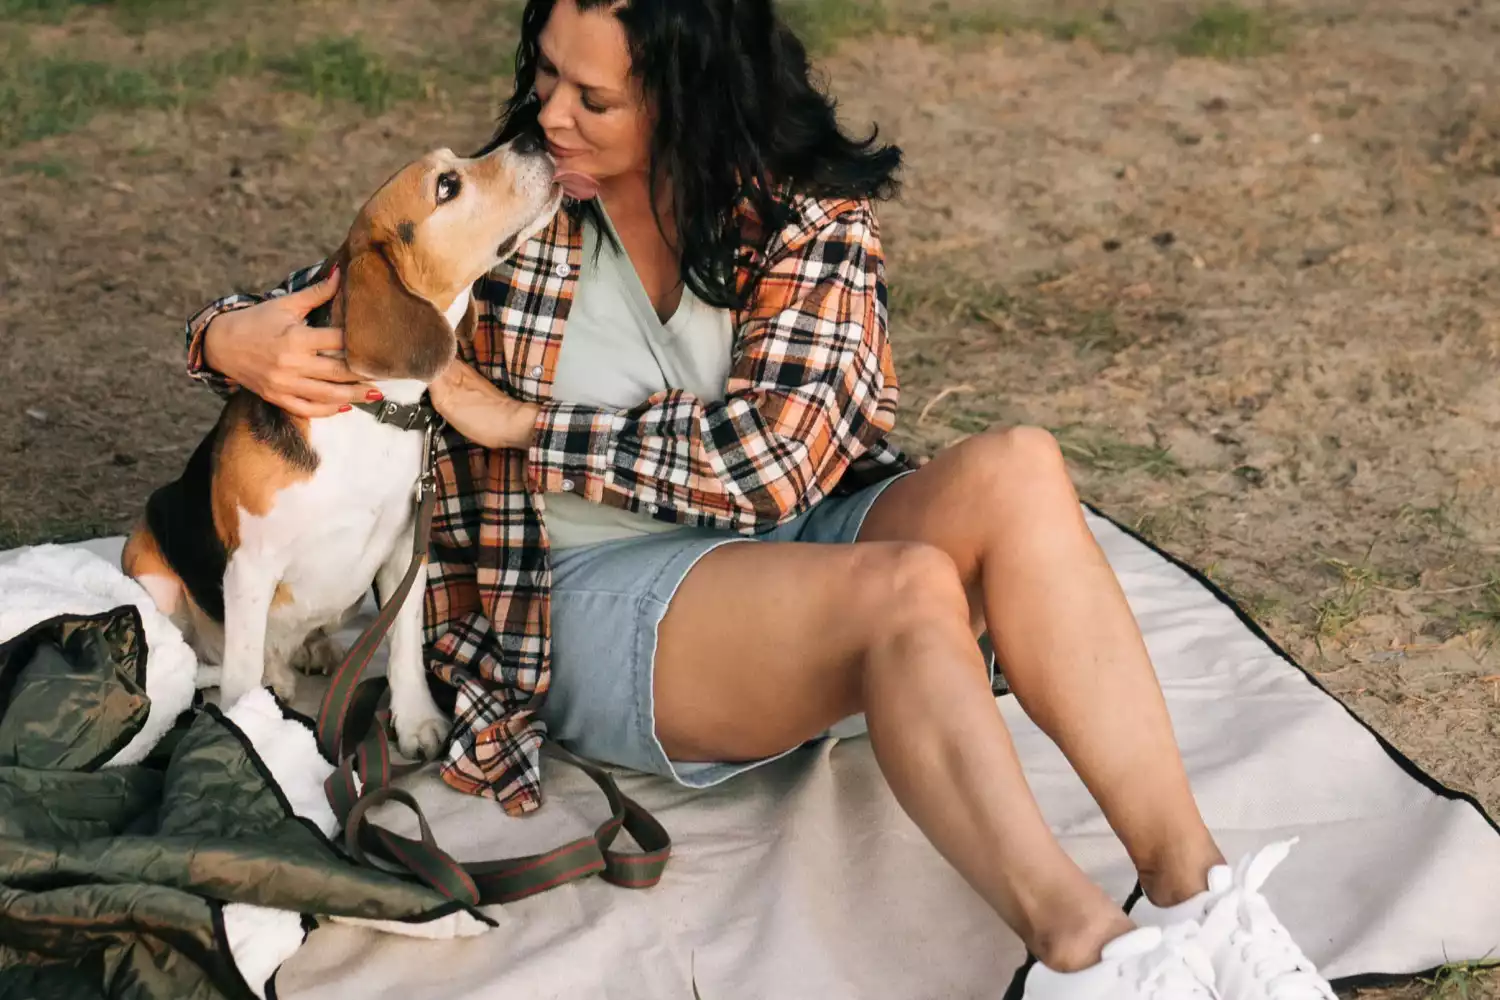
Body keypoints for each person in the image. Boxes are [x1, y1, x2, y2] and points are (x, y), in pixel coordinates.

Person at [179, 2, 1337, 998]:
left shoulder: (810, 218)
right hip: (582, 591)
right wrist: (226, 336)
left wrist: (532, 422)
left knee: (1022, 466)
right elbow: (346, 283)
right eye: (543, 77)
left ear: (690, 96)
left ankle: (1200, 899)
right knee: (905, 589)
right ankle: (1085, 954)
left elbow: (774, 467)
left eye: (595, 95)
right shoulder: (524, 204)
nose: (551, 119)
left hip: (783, 533)